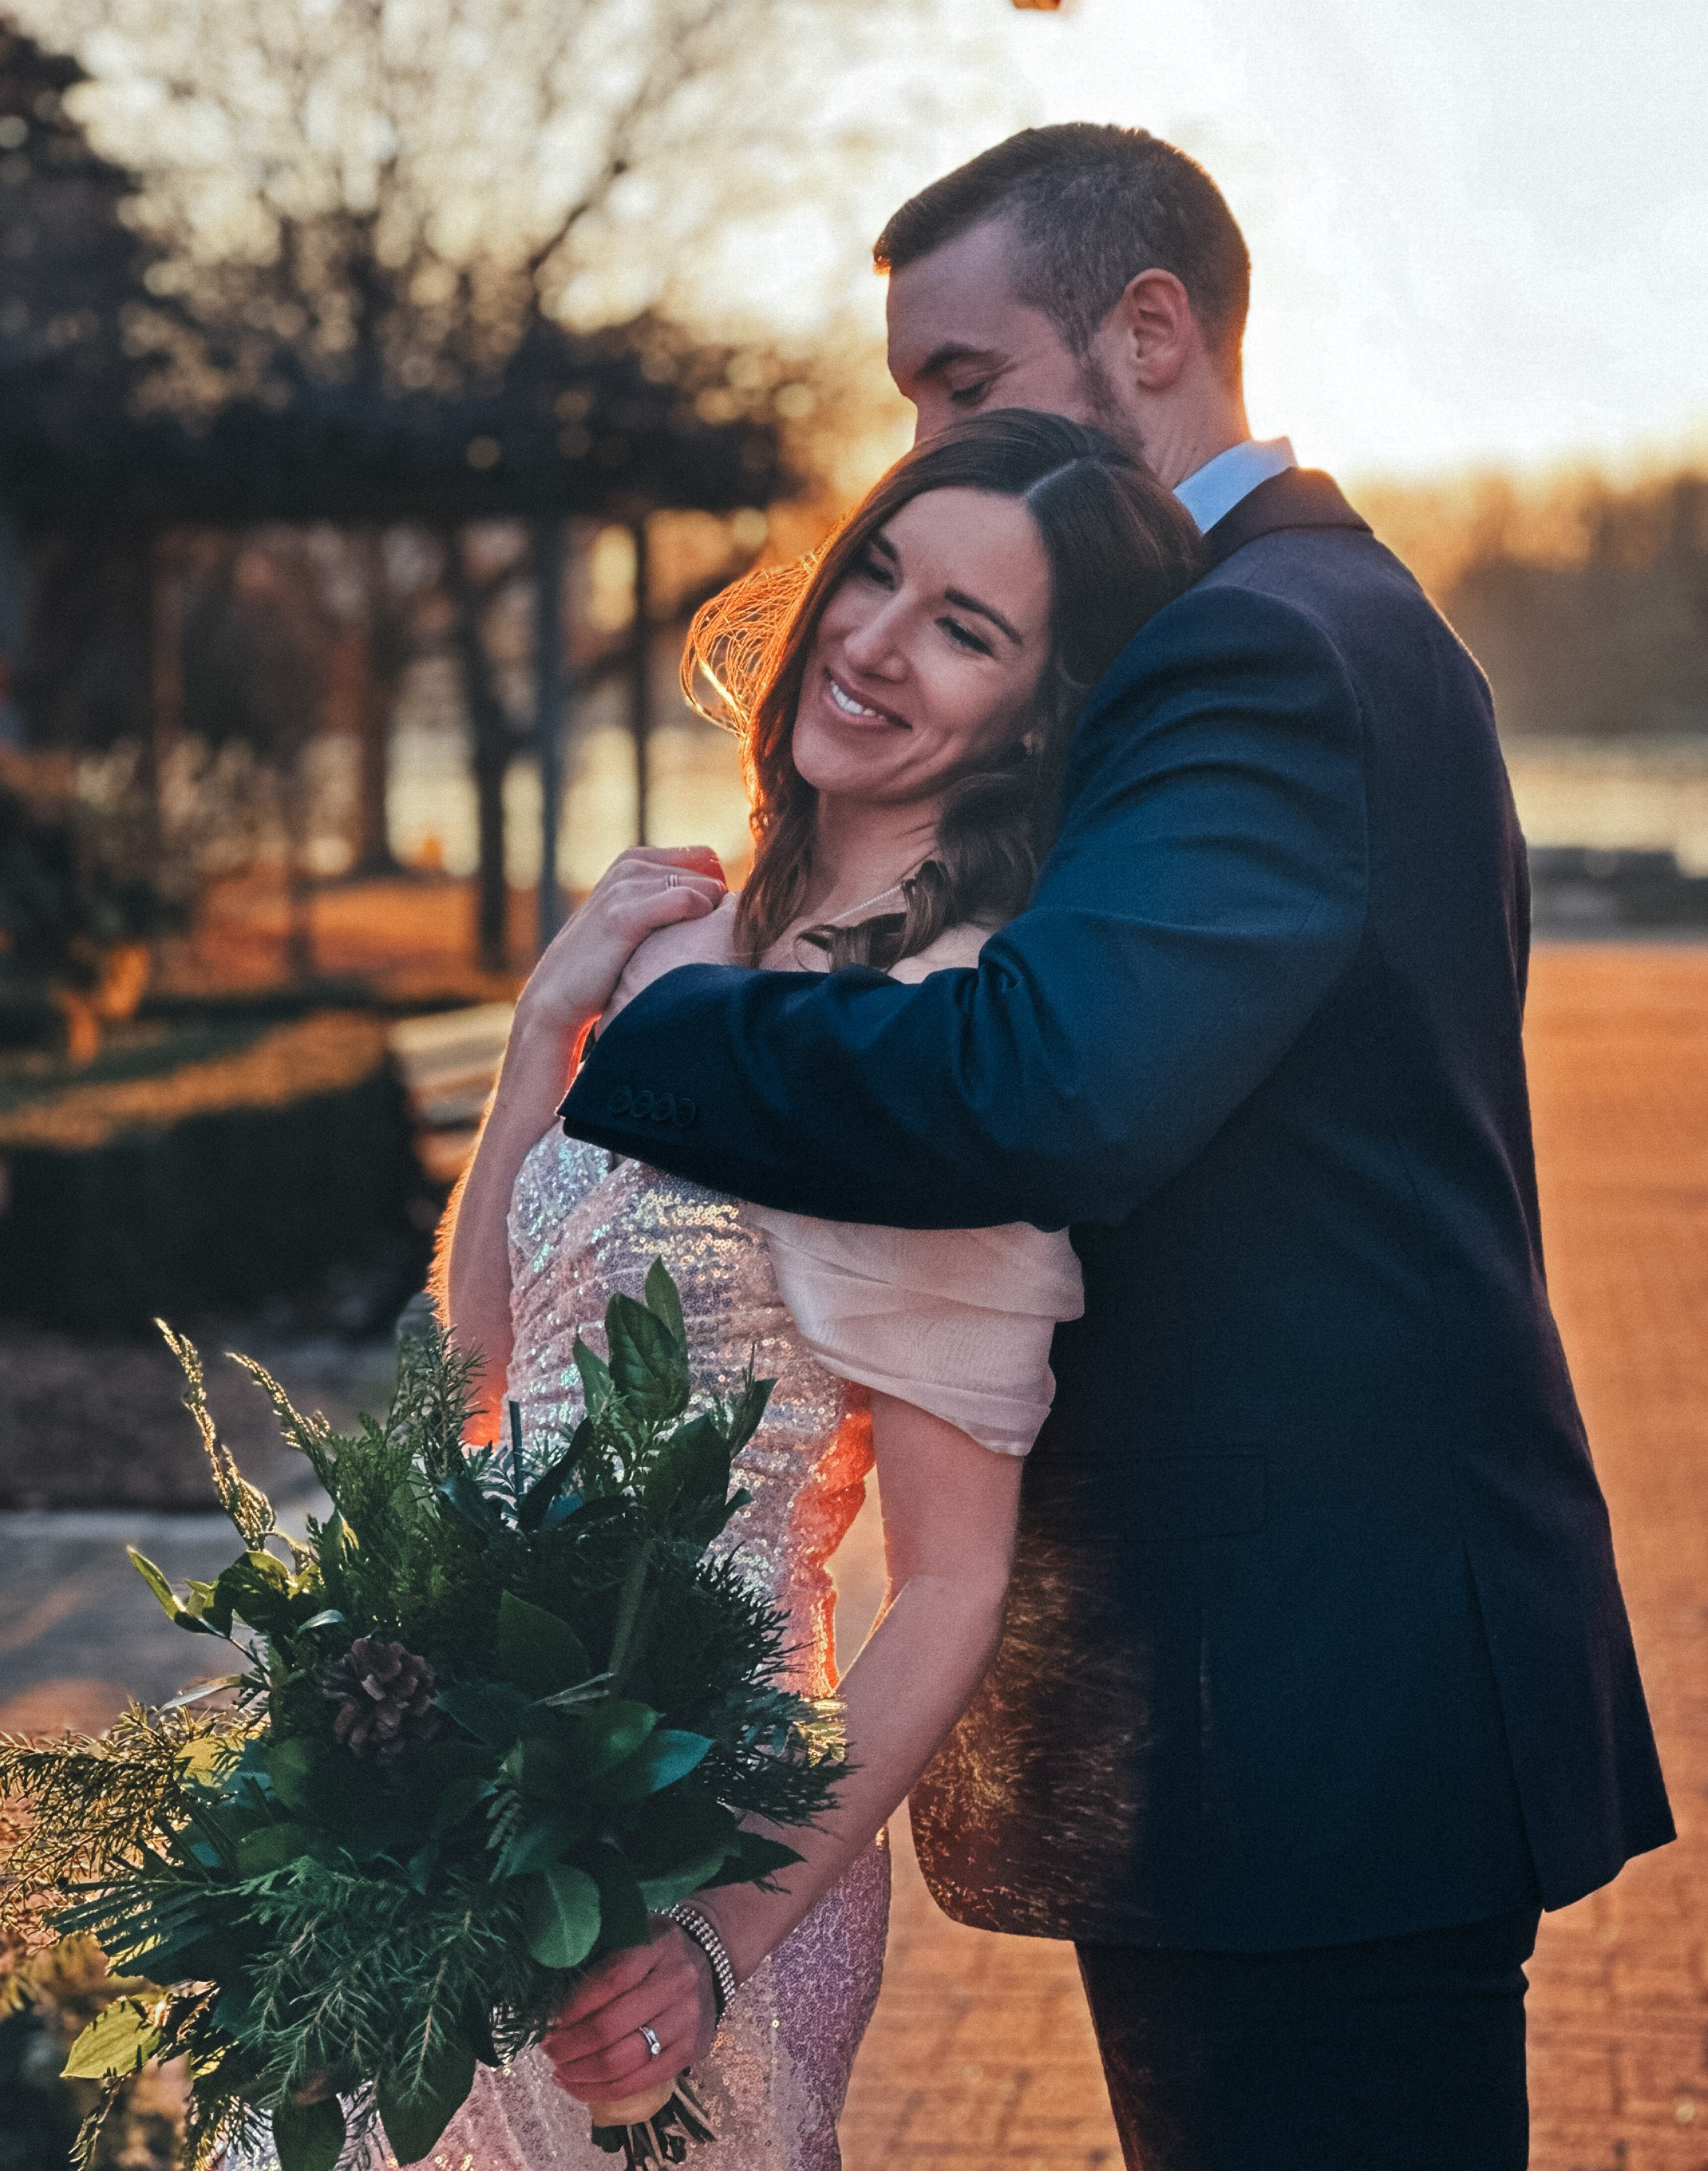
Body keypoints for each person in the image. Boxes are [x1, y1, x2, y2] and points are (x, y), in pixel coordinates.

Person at [553, 126, 1675, 2170]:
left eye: (964, 387)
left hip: (1303, 1720)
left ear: (1147, 330)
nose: (927, 449)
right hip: (1290, 1713)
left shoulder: (1256, 643)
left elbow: (1048, 1077)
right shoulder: (1296, 623)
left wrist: (662, 1032)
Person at [431, 408, 1203, 2171]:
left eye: (964, 628)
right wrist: (541, 1038)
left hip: (697, 1838)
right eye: (879, 569)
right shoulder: (664, 929)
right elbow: (464, 1390)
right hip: (448, 1793)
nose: (869, 636)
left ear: (1034, 714)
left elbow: (950, 1583)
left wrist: (720, 1939)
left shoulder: (955, 1043)